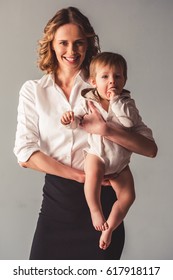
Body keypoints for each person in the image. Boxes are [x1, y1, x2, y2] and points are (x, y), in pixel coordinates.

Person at [13, 7, 157, 260]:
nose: (71, 51)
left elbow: (149, 148)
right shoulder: (33, 91)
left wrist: (105, 129)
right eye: (64, 43)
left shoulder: (104, 85)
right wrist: (81, 177)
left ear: (88, 44)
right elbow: (25, 154)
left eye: (79, 43)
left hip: (104, 204)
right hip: (57, 204)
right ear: (52, 45)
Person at [60, 51, 153, 250]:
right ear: (93, 81)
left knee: (128, 197)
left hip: (120, 164)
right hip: (99, 155)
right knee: (92, 175)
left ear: (124, 80)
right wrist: (70, 120)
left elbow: (128, 123)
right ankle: (96, 210)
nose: (112, 82)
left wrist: (116, 101)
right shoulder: (87, 102)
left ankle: (109, 227)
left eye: (117, 77)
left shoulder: (127, 103)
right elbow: (78, 121)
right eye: (105, 77)